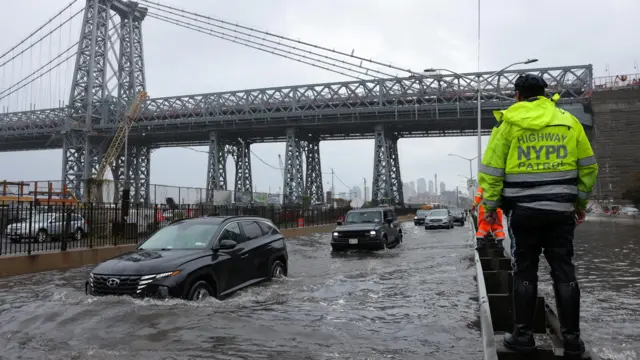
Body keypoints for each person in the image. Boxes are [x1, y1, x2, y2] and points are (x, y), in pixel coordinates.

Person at [477, 73, 598, 357]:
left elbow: (492, 173)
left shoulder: (508, 123)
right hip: (560, 213)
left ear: (517, 95)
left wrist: (491, 209)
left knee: (524, 271)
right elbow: (588, 167)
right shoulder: (569, 122)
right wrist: (579, 203)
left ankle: (523, 336)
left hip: (523, 213)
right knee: (564, 272)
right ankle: (572, 341)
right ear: (546, 94)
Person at [472, 186, 505, 250]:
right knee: (497, 227)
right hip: (497, 208)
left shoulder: (483, 186)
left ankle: (480, 243)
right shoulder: (499, 184)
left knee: (483, 226)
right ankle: (500, 244)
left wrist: (474, 206)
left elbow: (477, 198)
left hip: (485, 209)